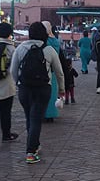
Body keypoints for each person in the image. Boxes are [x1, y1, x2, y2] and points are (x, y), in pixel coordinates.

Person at [10, 21, 64, 164]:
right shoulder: (49, 49)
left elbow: (13, 71)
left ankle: (34, 144)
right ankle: (31, 151)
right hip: (42, 89)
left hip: (25, 89)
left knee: (30, 117)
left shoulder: (20, 48)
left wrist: (16, 86)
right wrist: (62, 90)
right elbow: (59, 73)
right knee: (36, 119)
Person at [42, 21, 61, 122]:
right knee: (52, 92)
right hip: (53, 69)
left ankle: (44, 113)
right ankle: (51, 113)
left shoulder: (45, 41)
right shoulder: (55, 39)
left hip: (44, 69)